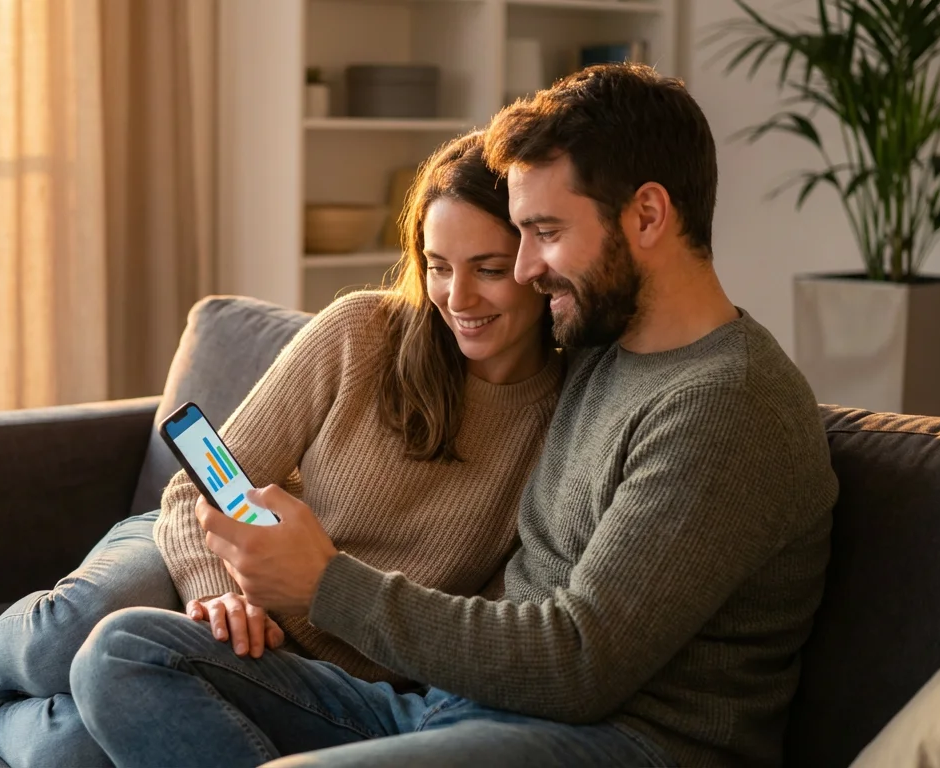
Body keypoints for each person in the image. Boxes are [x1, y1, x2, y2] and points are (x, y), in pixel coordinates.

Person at [68, 63, 840, 768]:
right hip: (459, 708)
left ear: (646, 215)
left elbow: (578, 663)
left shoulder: (728, 402)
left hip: (619, 741)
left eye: (545, 233)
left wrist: (328, 582)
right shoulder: (603, 353)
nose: (531, 268)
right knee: (127, 651)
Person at [0, 132, 566, 767]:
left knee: (73, 752)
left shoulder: (564, 420)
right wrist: (218, 599)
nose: (457, 295)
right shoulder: (362, 334)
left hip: (312, 662)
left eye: (489, 268)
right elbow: (197, 490)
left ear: (538, 266)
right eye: (438, 265)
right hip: (206, 552)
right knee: (62, 637)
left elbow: (486, 625)